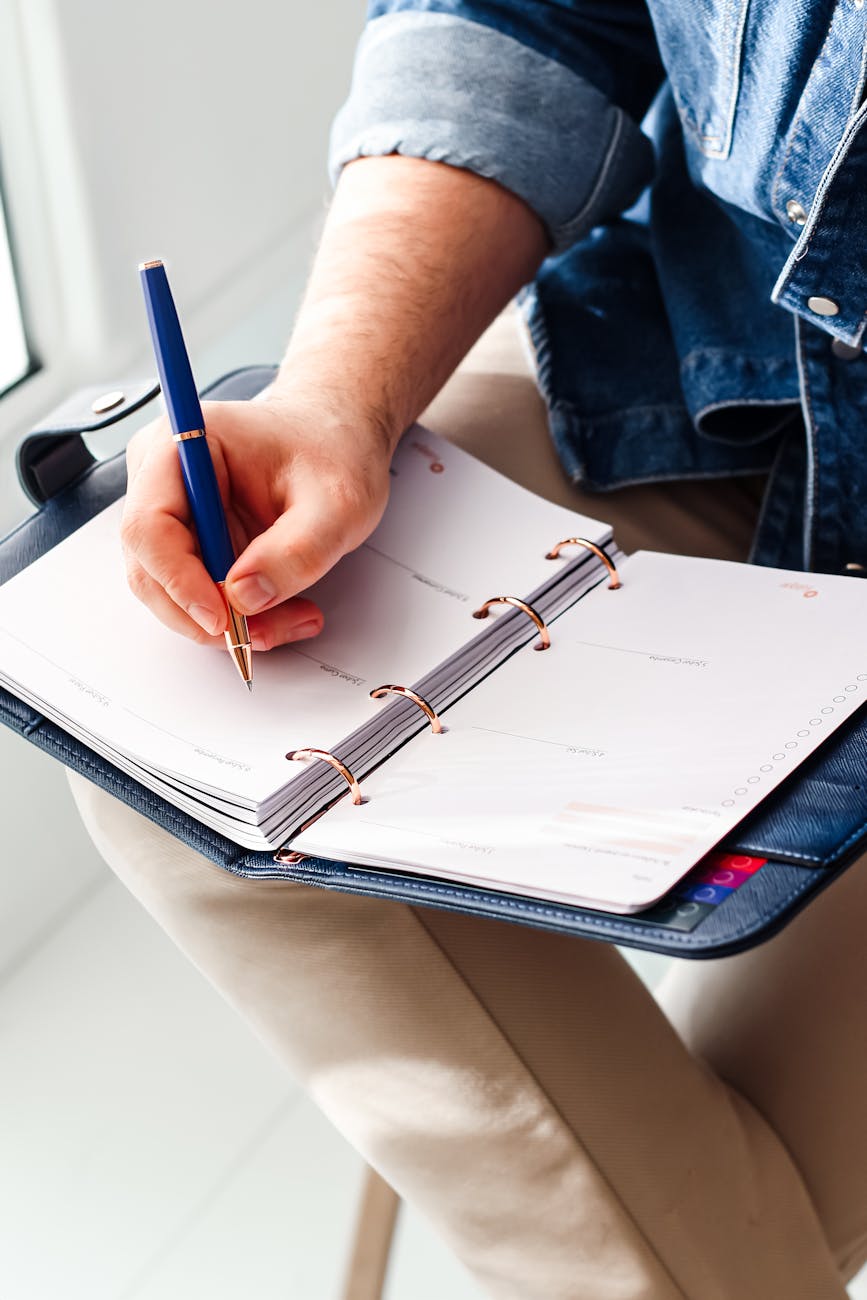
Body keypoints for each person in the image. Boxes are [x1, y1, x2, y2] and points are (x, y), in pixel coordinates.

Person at [68, 2, 867, 1295]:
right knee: (190, 761)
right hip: (689, 361)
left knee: (738, 1206)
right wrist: (337, 392)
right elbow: (521, 13)